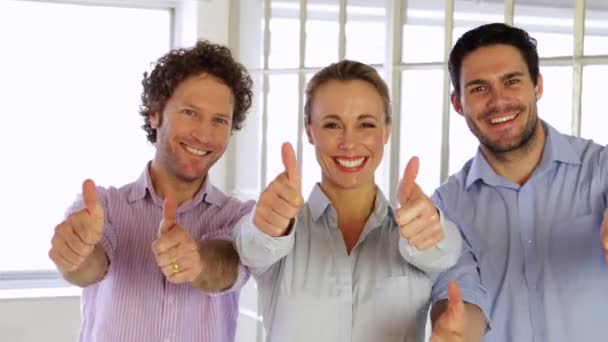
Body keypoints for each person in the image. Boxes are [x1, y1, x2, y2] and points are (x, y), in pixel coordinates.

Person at [234, 60, 489, 342]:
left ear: (386, 130)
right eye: (332, 125)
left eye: (365, 124)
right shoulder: (282, 230)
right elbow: (252, 246)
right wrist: (267, 227)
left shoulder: (418, 230)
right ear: (309, 130)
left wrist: (434, 232)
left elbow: (445, 250)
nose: (349, 143)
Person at [48, 40, 255, 342]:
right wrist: (76, 253)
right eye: (190, 113)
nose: (204, 134)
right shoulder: (104, 206)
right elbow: (89, 268)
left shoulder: (239, 217)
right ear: (155, 114)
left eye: (220, 120)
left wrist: (197, 261)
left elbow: (227, 265)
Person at [433, 22, 608, 342]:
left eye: (511, 81)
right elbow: (462, 298)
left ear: (537, 85)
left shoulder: (600, 169)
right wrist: (454, 332)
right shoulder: (448, 205)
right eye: (478, 88)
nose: (499, 101)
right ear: (458, 104)